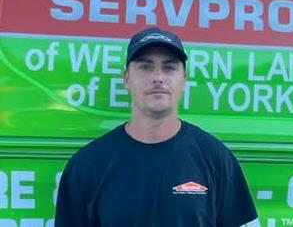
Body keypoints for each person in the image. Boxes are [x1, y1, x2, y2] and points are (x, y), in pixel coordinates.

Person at [55, 27, 259, 227]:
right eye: (145, 67)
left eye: (169, 67)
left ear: (183, 80)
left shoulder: (216, 159)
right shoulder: (87, 165)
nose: (158, 77)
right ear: (127, 78)